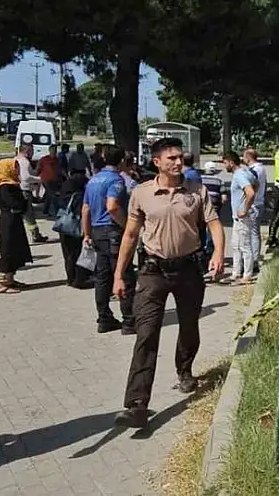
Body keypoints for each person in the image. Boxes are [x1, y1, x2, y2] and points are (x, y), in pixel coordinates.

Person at [111, 137, 225, 428]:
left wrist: (219, 255)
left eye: (180, 157)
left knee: (189, 326)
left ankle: (184, 370)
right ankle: (137, 403)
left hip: (188, 270)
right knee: (146, 333)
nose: (178, 162)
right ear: (157, 162)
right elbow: (131, 234)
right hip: (152, 271)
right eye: (171, 158)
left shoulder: (197, 190)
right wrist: (118, 274)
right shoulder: (141, 193)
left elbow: (213, 224)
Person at [81, 146, 136, 335]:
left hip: (96, 230)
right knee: (124, 274)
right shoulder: (116, 180)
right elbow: (112, 206)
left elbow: (86, 209)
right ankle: (129, 320)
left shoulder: (93, 180)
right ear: (121, 161)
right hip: (112, 231)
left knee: (102, 277)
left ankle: (104, 318)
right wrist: (127, 225)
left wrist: (86, 233)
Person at [0, 158, 34, 293]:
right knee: (8, 251)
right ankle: (1, 283)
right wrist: (24, 201)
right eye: (15, 167)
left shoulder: (12, 183)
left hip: (14, 220)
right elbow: (15, 204)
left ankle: (10, 279)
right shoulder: (4, 186)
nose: (17, 170)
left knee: (16, 251)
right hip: (8, 222)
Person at [221, 151, 257, 284]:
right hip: (237, 217)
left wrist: (245, 209)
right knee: (235, 245)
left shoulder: (240, 175)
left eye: (225, 163)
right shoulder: (245, 171)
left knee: (244, 246)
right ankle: (236, 273)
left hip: (242, 217)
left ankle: (247, 274)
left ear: (231, 162)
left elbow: (251, 192)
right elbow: (256, 184)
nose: (225, 166)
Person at [57, 170, 91, 289]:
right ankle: (79, 279)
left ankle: (70, 278)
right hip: (76, 229)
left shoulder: (64, 193)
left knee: (68, 255)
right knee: (77, 253)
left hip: (64, 227)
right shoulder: (79, 196)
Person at [14, 143, 49, 243]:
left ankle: (32, 235)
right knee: (29, 215)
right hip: (24, 191)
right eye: (32, 151)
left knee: (22, 215)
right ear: (27, 151)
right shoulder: (24, 162)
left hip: (18, 190)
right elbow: (26, 177)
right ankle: (36, 235)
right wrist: (40, 179)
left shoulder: (16, 160)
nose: (33, 153)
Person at [243, 148, 267, 267]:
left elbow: (251, 189)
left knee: (251, 233)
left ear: (248, 157)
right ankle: (255, 257)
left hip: (254, 204)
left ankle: (254, 260)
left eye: (244, 157)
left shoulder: (254, 170)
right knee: (255, 232)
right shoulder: (261, 168)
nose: (243, 159)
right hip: (259, 202)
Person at [36, 145, 60, 217]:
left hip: (55, 180)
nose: (54, 152)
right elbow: (38, 169)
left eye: (55, 150)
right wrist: (36, 178)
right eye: (52, 150)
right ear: (49, 150)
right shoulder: (44, 159)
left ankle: (45, 210)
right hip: (46, 180)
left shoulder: (57, 160)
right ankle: (57, 211)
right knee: (52, 195)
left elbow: (59, 170)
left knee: (48, 195)